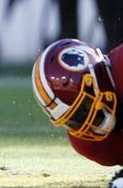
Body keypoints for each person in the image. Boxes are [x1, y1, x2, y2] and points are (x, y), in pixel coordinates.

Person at [31, 38, 123, 187]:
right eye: (72, 120)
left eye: (83, 109)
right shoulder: (87, 143)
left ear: (97, 79)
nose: (86, 124)